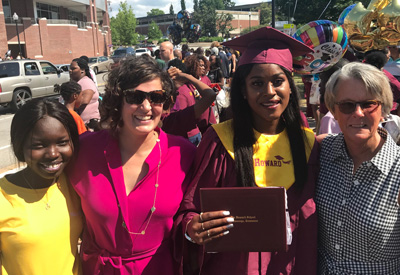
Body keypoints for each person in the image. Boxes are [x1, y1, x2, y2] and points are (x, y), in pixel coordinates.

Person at [175, 27, 319, 274]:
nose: (269, 92)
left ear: (289, 86)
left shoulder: (309, 145)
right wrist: (191, 227)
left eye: (277, 81)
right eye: (257, 83)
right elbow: (190, 208)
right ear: (243, 90)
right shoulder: (220, 141)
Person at [67, 55, 196, 274]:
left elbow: (191, 214)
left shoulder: (183, 154)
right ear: (118, 100)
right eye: (135, 97)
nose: (146, 107)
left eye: (156, 97)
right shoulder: (84, 151)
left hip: (159, 269)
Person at [316, 62, 400, 274]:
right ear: (334, 111)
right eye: (347, 105)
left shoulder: (397, 170)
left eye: (369, 104)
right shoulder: (321, 151)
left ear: (384, 109)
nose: (358, 113)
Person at [0, 99, 82, 275]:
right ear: (19, 147)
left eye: (62, 142)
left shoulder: (76, 186)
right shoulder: (2, 197)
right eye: (38, 145)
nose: (53, 154)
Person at [172, 54, 216, 145]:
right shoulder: (185, 86)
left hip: (208, 118)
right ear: (194, 66)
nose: (203, 67)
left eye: (204, 65)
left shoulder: (206, 79)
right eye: (200, 65)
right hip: (194, 124)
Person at [69, 58, 100, 130]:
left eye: (73, 69)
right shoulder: (80, 82)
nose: (70, 71)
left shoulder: (85, 82)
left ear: (82, 70)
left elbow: (84, 102)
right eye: (70, 69)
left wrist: (69, 105)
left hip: (88, 125)